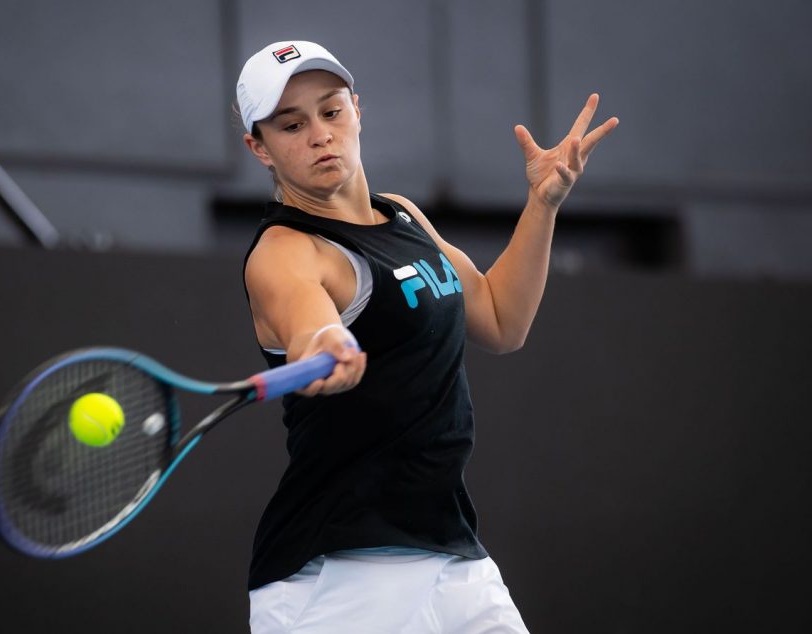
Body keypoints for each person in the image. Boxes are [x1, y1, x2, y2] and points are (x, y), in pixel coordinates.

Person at [237, 40, 617, 633]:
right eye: (292, 124)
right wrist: (326, 344)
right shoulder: (284, 251)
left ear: (357, 110)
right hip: (335, 572)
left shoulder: (404, 216)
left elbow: (499, 320)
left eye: (331, 111)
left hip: (451, 556)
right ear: (259, 147)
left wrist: (542, 205)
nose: (319, 134)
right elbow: (308, 322)